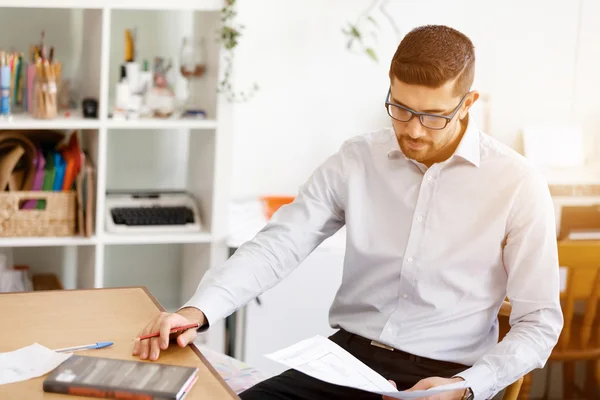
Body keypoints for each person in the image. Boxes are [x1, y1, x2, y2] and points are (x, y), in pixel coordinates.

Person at [132, 25, 563, 400]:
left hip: (444, 377)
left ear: (467, 103)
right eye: (401, 108)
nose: (412, 129)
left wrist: (470, 385)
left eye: (432, 116)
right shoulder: (358, 159)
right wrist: (198, 311)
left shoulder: (517, 184)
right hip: (345, 361)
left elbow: (539, 322)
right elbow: (279, 243)